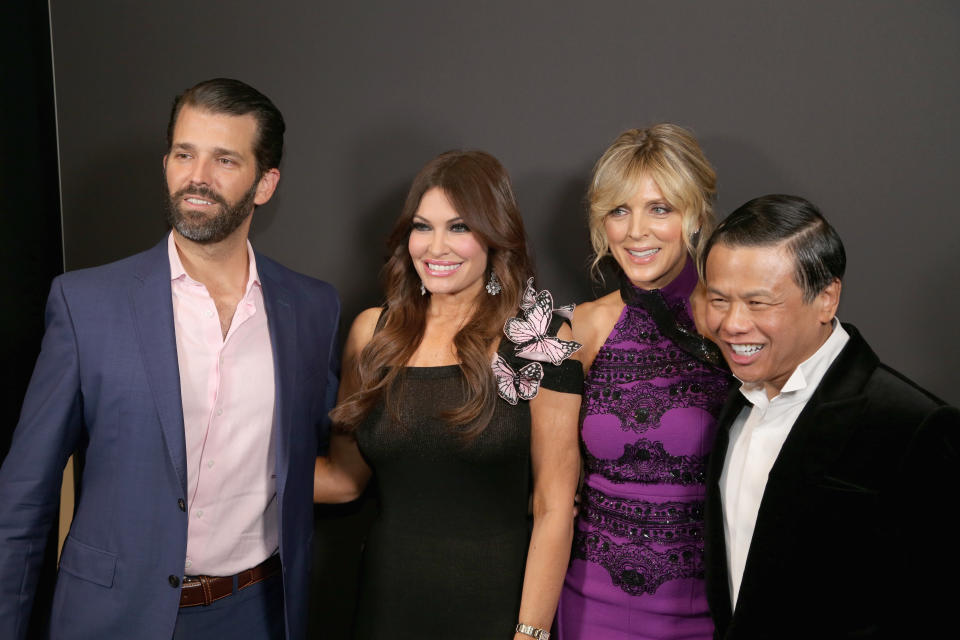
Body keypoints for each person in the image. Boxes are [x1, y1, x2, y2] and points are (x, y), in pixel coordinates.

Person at [0, 78, 339, 640]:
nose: (197, 177)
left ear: (265, 183)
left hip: (257, 611)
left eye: (224, 159)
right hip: (113, 616)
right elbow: (23, 499)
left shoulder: (312, 308)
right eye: (185, 154)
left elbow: (321, 452)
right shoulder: (86, 304)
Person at [314, 150, 583, 639]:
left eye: (459, 227)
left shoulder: (538, 338)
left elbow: (553, 505)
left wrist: (531, 633)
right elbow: (345, 479)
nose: (436, 247)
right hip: (385, 609)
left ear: (495, 237)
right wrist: (226, 478)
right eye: (423, 226)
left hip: (496, 613)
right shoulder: (371, 335)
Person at [699, 194, 959, 638]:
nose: (732, 324)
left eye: (759, 303)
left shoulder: (915, 426)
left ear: (826, 298)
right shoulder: (735, 404)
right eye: (719, 299)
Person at [555, 125, 733, 640]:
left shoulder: (730, 325)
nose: (636, 232)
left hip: (704, 616)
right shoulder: (581, 329)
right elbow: (549, 489)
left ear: (695, 215)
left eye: (660, 209)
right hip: (589, 610)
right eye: (618, 210)